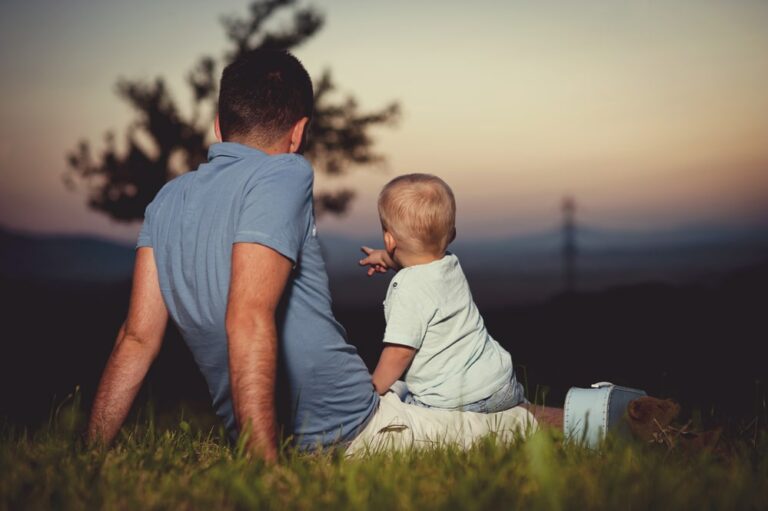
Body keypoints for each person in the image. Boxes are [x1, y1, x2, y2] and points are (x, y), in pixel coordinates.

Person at [86, 49, 540, 461]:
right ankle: (604, 414)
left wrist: (89, 454)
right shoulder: (284, 172)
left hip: (289, 427)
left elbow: (137, 338)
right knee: (517, 421)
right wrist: (265, 474)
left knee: (417, 392)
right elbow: (247, 315)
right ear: (298, 132)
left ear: (219, 128)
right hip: (349, 429)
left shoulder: (167, 200)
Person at [359, 174, 526, 413]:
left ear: (389, 239)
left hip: (455, 400)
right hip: (501, 384)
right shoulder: (449, 264)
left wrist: (373, 390)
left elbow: (399, 353)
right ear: (452, 235)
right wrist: (386, 257)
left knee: (398, 401)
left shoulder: (407, 288)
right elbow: (422, 262)